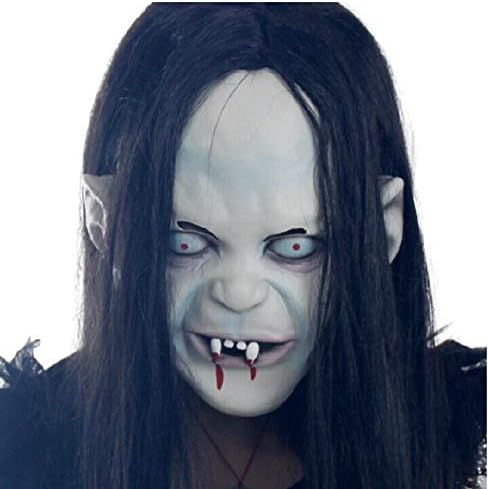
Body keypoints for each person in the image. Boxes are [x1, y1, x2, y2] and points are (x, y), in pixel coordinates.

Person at [0, 4, 486, 489]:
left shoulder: (471, 436)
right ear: (104, 222)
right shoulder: (22, 451)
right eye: (184, 243)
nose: (238, 294)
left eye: (295, 248)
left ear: (381, 230)